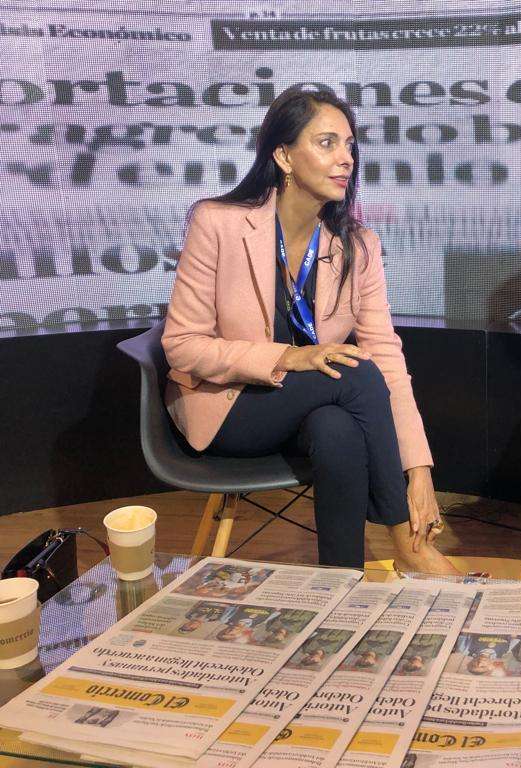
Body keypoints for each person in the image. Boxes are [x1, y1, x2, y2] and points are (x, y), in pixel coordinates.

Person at [162, 85, 458, 574]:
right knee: (355, 372)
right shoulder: (217, 223)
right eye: (327, 143)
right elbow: (182, 346)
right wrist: (288, 357)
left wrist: (420, 470)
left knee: (337, 428)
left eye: (350, 146)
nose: (346, 159)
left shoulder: (359, 245)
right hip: (229, 406)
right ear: (283, 156)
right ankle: (405, 541)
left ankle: (340, 586)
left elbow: (387, 355)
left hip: (308, 411)